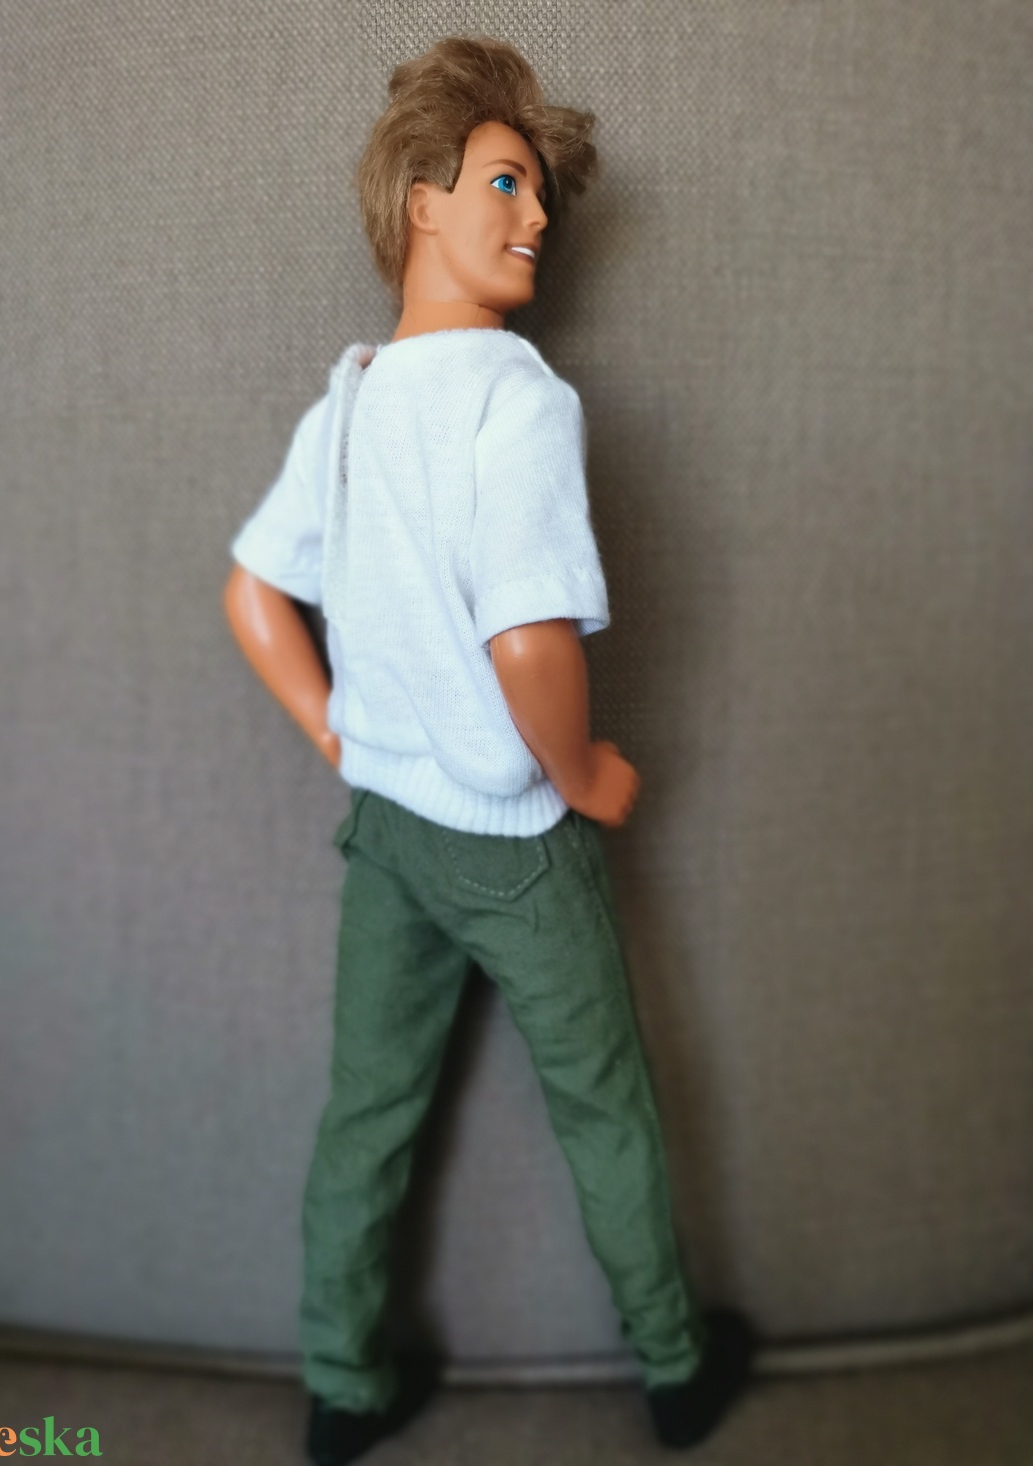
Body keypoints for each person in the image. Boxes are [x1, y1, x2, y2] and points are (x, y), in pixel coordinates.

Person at [224, 35, 755, 1466]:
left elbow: (254, 594)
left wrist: (335, 726)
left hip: (387, 830)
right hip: (513, 840)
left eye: (541, 198)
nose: (534, 220)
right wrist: (580, 773)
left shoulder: (349, 400)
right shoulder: (516, 398)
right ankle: (676, 1366)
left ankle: (341, 1382)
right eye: (506, 183)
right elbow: (531, 642)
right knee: (603, 1104)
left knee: (366, 1114)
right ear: (423, 201)